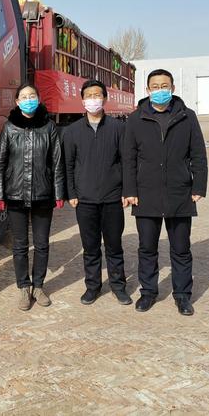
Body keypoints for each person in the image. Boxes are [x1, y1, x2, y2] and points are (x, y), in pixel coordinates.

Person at [123, 69, 208, 316]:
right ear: (147, 90)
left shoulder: (187, 117)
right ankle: (148, 292)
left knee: (180, 248)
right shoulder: (135, 119)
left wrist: (198, 185)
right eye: (155, 86)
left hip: (179, 192)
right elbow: (128, 158)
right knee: (147, 248)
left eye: (164, 86)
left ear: (172, 88)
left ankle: (182, 295)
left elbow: (198, 154)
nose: (160, 90)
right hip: (145, 193)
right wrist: (130, 190)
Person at [0, 84, 65, 311]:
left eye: (32, 95)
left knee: (42, 244)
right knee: (20, 245)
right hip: (15, 194)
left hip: (43, 194)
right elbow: (0, 163)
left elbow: (57, 161)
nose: (28, 100)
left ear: (38, 98)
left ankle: (39, 286)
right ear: (17, 102)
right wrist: (0, 194)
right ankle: (24, 287)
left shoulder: (49, 126)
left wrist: (59, 192)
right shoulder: (9, 128)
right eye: (24, 97)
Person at [63, 79, 131, 306]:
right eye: (89, 96)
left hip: (112, 198)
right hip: (85, 200)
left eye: (97, 95)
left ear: (105, 98)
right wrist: (71, 193)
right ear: (82, 100)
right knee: (90, 247)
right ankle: (92, 286)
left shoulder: (118, 128)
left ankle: (118, 286)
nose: (93, 99)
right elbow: (68, 165)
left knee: (114, 246)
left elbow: (126, 161)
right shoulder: (72, 131)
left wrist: (126, 191)